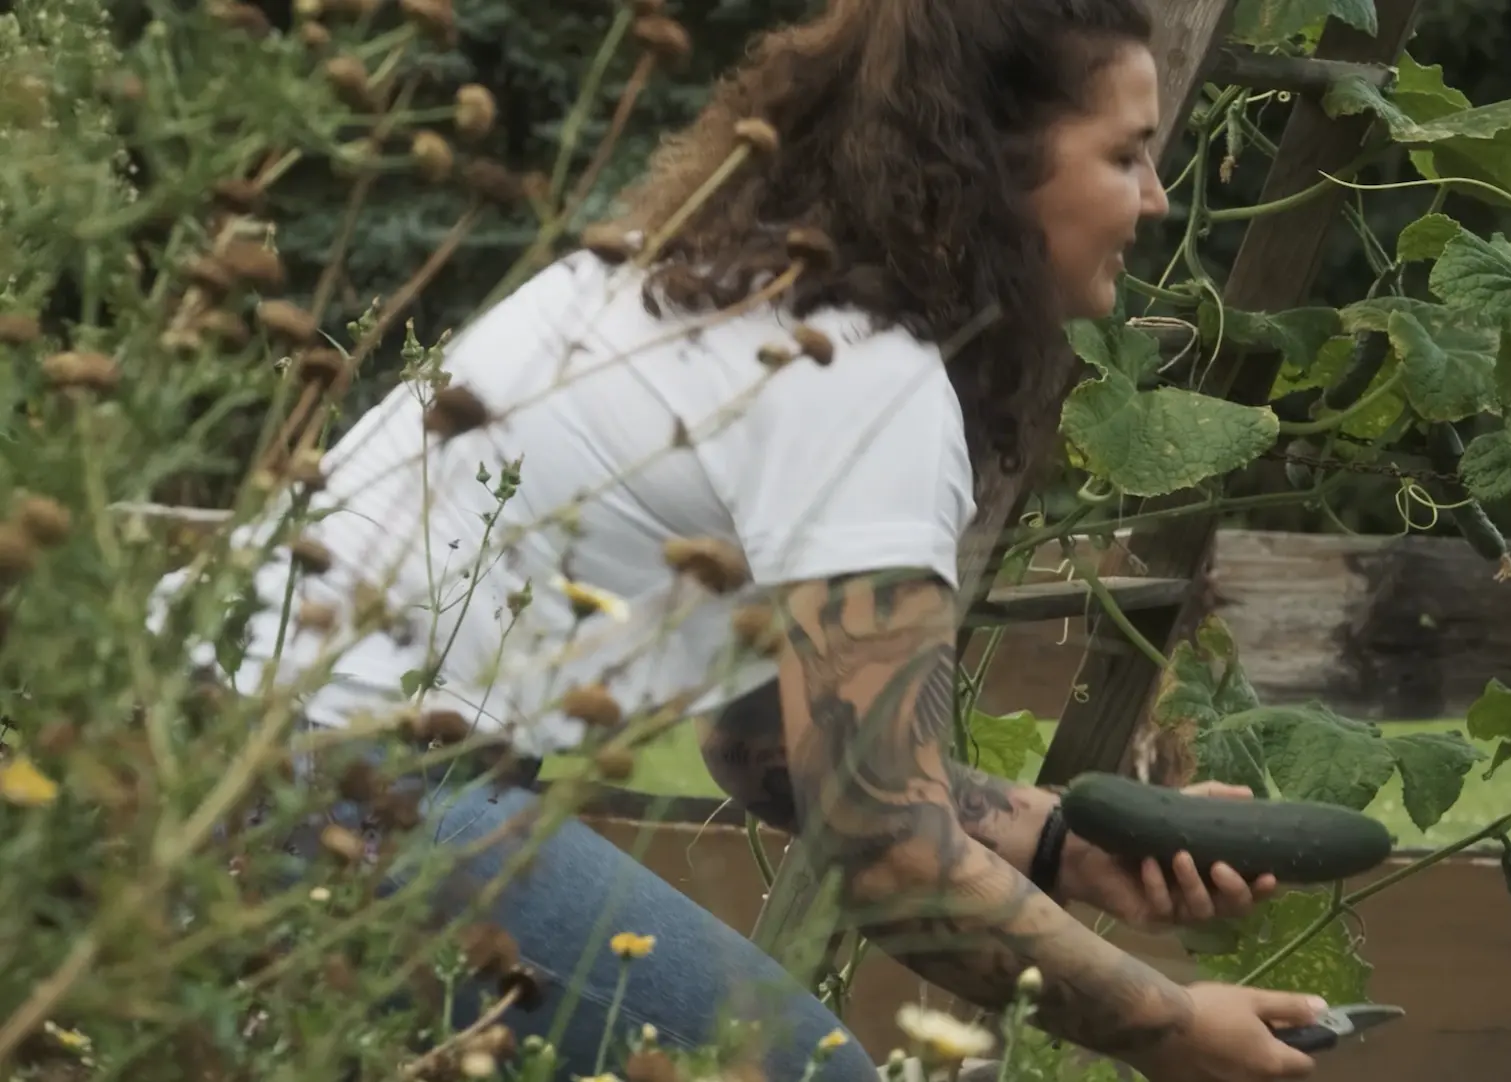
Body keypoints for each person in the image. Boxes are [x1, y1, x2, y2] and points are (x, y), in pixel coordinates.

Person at [186, 1, 1332, 1080]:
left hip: (184, 741)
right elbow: (883, 848)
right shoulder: (862, 376)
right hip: (338, 796)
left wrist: (1061, 843)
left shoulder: (714, 288)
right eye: (1126, 155)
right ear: (994, 165)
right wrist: (1167, 1023)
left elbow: (766, 743)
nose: (1160, 198)